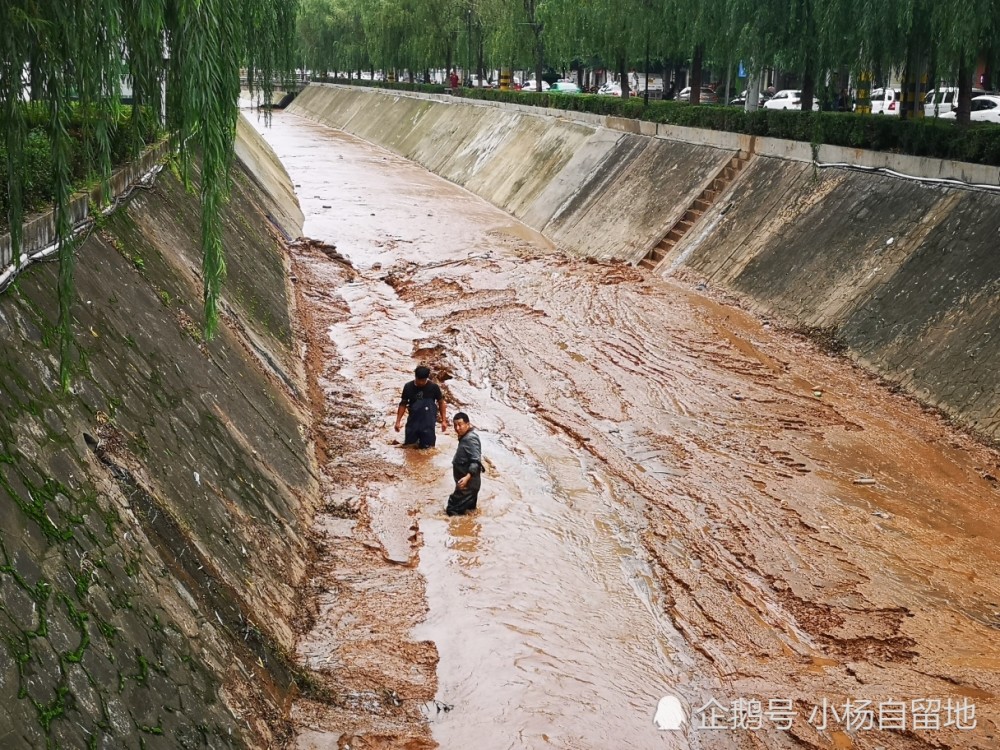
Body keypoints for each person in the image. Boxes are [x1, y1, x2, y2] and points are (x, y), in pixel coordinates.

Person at [395, 366, 447, 448]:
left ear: (427, 378)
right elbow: (403, 404)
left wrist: (444, 420)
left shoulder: (434, 387)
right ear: (415, 377)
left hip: (428, 423)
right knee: (409, 448)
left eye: (424, 380)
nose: (421, 383)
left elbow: (441, 403)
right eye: (419, 380)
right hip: (413, 423)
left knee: (429, 450)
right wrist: (398, 421)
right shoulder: (408, 387)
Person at [447, 412, 482, 516]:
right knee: (468, 512)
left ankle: (455, 531)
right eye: (455, 425)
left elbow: (476, 461)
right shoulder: (465, 436)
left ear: (468, 424)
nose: (457, 428)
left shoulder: (470, 439)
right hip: (468, 484)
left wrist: (467, 477)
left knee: (452, 510)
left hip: (468, 485)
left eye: (460, 425)